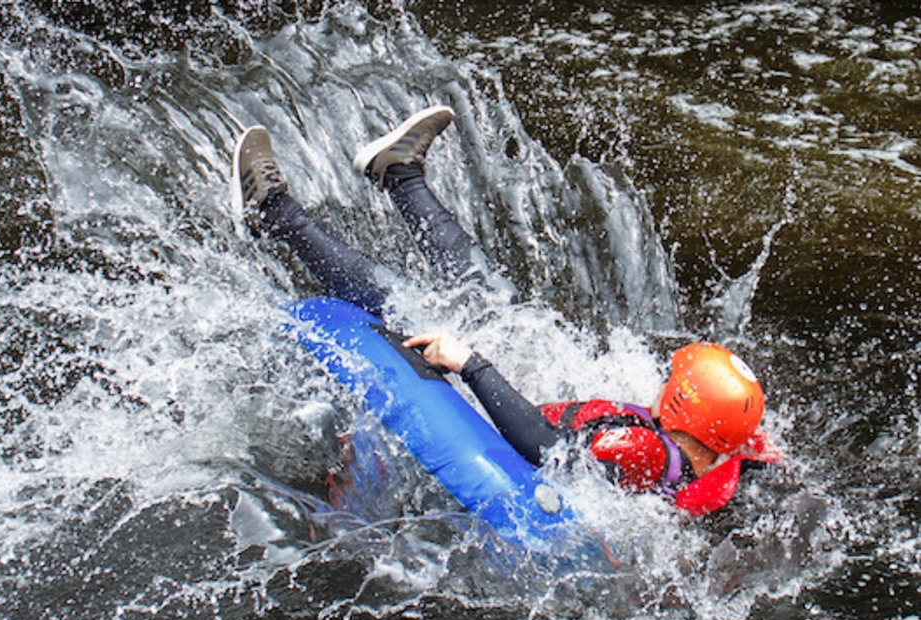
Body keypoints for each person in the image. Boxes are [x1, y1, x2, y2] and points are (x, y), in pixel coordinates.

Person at [231, 106, 777, 517]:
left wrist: (472, 365)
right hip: (544, 420)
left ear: (683, 407)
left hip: (502, 455)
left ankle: (272, 213)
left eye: (673, 382)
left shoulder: (641, 450)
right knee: (478, 293)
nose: (662, 382)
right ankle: (399, 172)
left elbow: (550, 451)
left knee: (398, 305)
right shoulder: (718, 451)